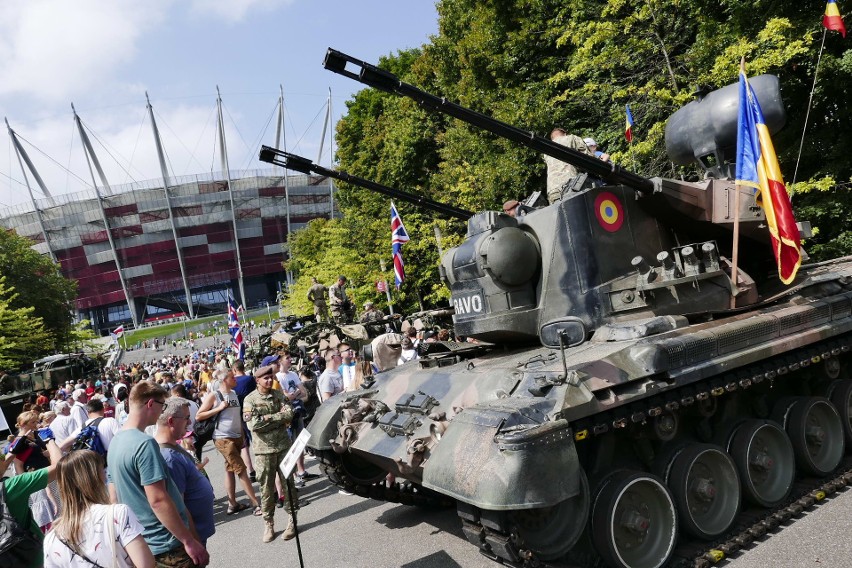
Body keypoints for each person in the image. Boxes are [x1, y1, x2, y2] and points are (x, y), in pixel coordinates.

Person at [107, 382, 209, 567]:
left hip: (143, 543)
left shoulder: (116, 442)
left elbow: (113, 497)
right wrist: (188, 541)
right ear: (150, 404)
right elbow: (158, 500)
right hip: (167, 543)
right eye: (162, 406)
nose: (162, 412)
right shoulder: (144, 443)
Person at [43, 450, 155, 568]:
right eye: (102, 471)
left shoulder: (52, 538)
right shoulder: (118, 514)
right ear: (96, 477)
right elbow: (146, 564)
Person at [242, 364, 297, 542]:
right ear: (257, 380)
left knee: (288, 484)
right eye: (265, 378)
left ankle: (292, 520)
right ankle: (269, 523)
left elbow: (289, 414)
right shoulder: (250, 400)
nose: (269, 380)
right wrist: (276, 418)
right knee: (266, 488)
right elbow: (254, 425)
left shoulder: (278, 395)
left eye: (270, 377)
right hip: (263, 451)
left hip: (283, 447)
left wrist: (267, 418)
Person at [195, 369, 261, 516]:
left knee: (230, 469)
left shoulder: (233, 394)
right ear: (225, 380)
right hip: (223, 438)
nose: (236, 379)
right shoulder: (214, 395)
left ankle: (232, 504)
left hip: (236, 436)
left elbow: (236, 417)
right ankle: (255, 504)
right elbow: (199, 416)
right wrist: (218, 408)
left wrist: (242, 436)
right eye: (233, 377)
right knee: (241, 469)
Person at [155, 399, 215, 548]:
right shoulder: (169, 457)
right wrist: (193, 541)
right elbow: (178, 506)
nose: (189, 423)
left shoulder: (173, 447)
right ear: (171, 421)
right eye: (186, 418)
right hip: (193, 538)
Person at [4, 434, 63, 568]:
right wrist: (50, 440)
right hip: (35, 559)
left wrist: (11, 455)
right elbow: (60, 465)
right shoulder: (11, 487)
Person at [545, 127, 594, 204]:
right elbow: (590, 159)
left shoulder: (546, 150)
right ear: (564, 133)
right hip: (572, 185)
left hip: (552, 191)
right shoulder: (571, 138)